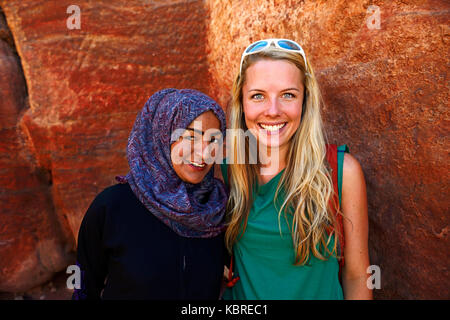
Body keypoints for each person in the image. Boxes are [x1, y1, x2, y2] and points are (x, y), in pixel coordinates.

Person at [221, 39, 372, 299]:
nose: (273, 111)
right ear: (241, 101)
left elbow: (357, 276)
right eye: (258, 96)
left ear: (305, 100)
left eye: (288, 95)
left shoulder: (341, 172)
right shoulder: (226, 170)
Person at [72, 88, 229, 300]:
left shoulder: (218, 209)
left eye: (213, 140)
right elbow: (82, 284)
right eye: (190, 137)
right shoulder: (112, 207)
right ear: (161, 135)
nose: (204, 152)